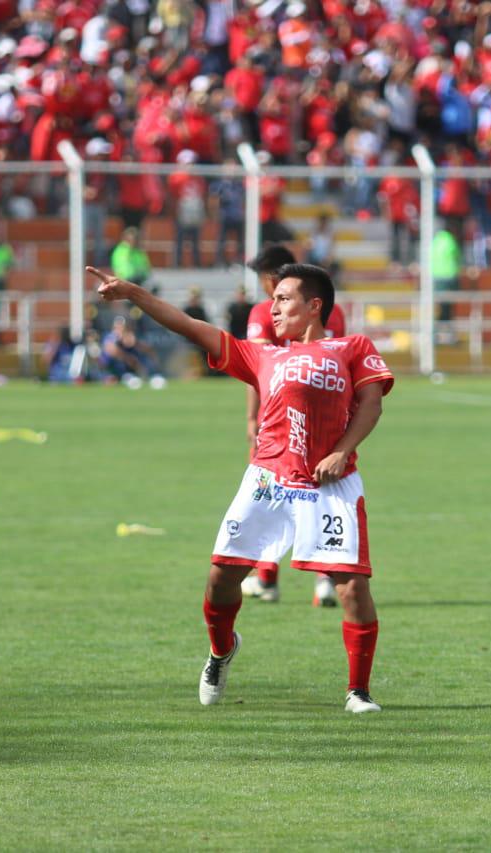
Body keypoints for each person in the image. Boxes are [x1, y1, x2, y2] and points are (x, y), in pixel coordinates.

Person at [86, 262, 393, 713]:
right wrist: (135, 294)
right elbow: (191, 326)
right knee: (220, 578)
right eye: (274, 300)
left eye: (284, 299)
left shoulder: (352, 347)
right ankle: (221, 650)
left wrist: (343, 451)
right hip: (268, 480)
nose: (274, 308)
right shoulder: (263, 354)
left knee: (352, 588)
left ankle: (358, 692)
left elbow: (371, 404)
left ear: (315, 305)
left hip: (330, 485)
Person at [240, 245, 347, 607]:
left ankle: (267, 580)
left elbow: (258, 373)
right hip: (326, 426)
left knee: (272, 499)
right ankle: (325, 582)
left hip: (280, 426)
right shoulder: (334, 311)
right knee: (321, 497)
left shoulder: (263, 311)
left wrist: (252, 420)